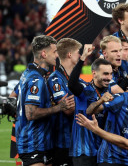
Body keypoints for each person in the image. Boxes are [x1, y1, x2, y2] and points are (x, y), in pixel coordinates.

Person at [16, 35, 75, 166]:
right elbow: (30, 114)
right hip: (32, 143)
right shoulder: (36, 79)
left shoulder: (28, 74)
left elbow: (13, 95)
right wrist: (59, 107)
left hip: (42, 143)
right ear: (44, 54)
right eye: (54, 52)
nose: (57, 55)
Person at [68, 46, 113, 166]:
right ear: (94, 73)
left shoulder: (109, 92)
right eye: (105, 74)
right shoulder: (84, 91)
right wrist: (82, 58)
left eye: (110, 74)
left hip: (102, 151)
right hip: (84, 151)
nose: (109, 78)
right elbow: (72, 83)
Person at [47, 38, 81, 166]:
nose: (79, 55)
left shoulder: (74, 79)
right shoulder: (55, 78)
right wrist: (83, 101)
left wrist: (77, 101)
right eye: (78, 52)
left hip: (75, 140)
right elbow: (68, 109)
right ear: (70, 54)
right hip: (62, 142)